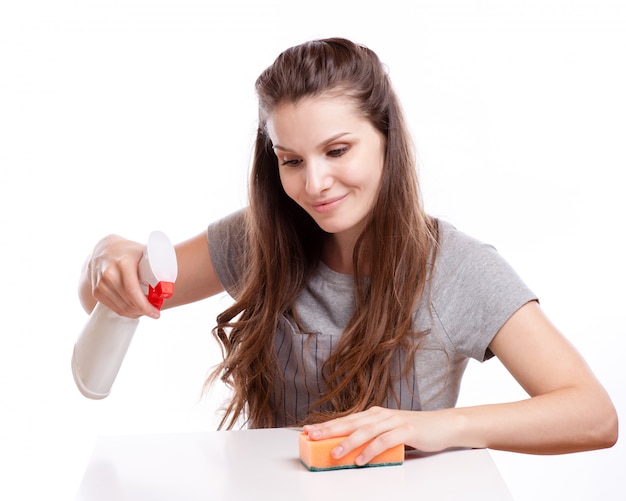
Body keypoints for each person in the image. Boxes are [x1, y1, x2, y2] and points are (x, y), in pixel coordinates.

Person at [78, 37, 617, 466]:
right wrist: (104, 259)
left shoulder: (457, 268)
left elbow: (593, 415)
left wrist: (433, 428)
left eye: (337, 151)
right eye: (290, 160)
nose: (314, 184)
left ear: (385, 137)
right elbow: (119, 295)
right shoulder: (259, 239)